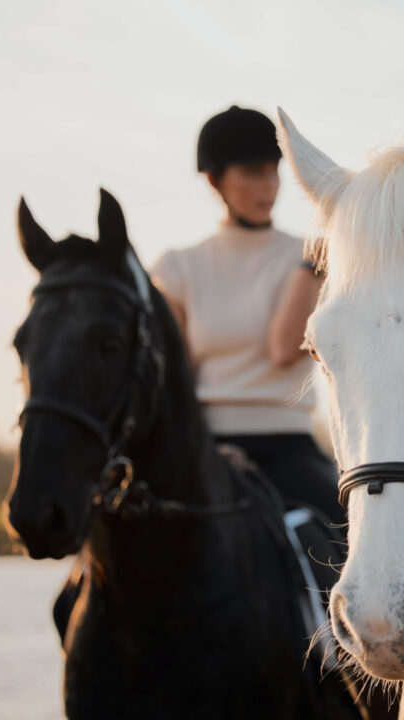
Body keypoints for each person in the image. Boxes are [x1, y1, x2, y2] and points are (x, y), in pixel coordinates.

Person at [151, 105, 342, 527]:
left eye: (274, 172)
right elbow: (175, 379)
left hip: (289, 446)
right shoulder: (178, 267)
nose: (269, 186)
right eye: (253, 173)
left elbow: (281, 349)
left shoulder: (312, 253)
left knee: (349, 538)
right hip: (202, 445)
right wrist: (201, 444)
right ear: (215, 180)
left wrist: (311, 264)